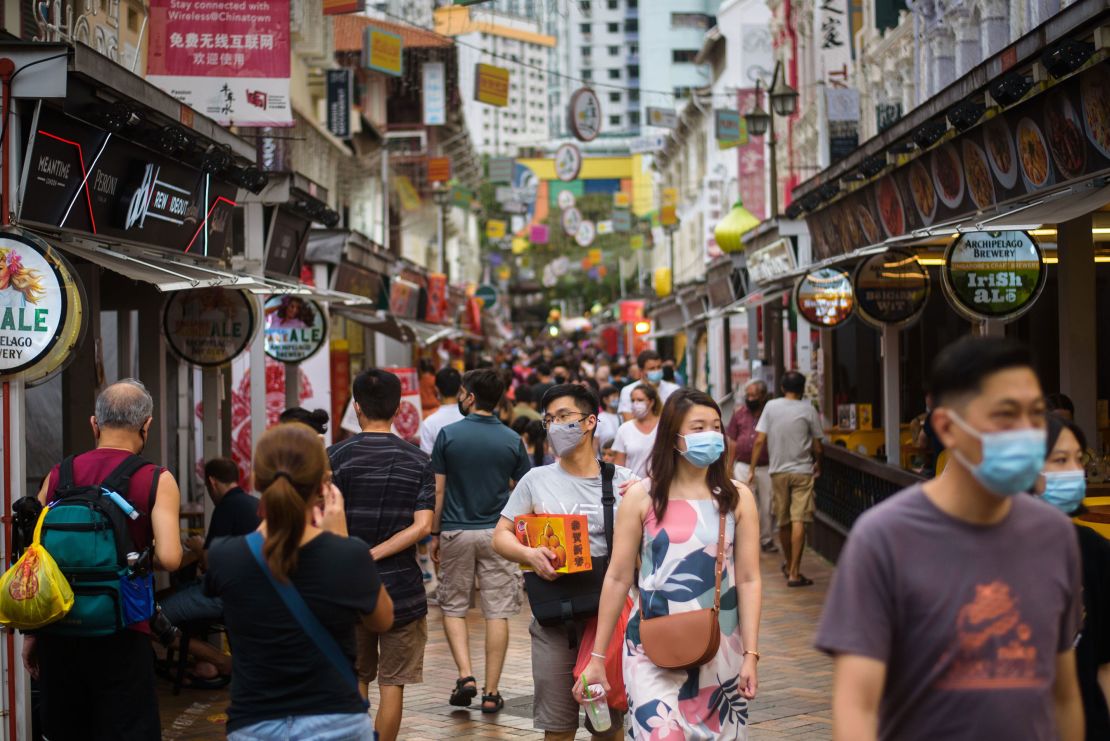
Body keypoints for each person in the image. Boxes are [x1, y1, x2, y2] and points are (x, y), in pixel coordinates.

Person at [815, 336, 1084, 741]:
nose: (1028, 432)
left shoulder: (1055, 535)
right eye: (1006, 415)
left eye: (1035, 416)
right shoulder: (883, 540)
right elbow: (857, 705)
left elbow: (1063, 694)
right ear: (946, 427)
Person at [579, 388, 762, 739]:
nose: (709, 434)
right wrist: (598, 657)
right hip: (650, 642)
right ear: (673, 437)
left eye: (715, 426)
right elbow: (618, 578)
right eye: (697, 427)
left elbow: (750, 579)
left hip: (720, 647)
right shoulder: (642, 496)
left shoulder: (738, 498)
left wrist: (752, 653)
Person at [206, 422, 394, 740]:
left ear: (254, 480)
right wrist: (342, 541)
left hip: (254, 723)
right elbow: (382, 620)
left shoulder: (225, 556)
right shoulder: (347, 553)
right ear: (324, 484)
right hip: (337, 721)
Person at [27, 379, 183, 740]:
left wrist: (33, 634)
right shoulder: (156, 479)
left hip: (58, 629)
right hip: (123, 631)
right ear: (147, 425)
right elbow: (172, 558)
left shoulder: (57, 476)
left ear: (94, 424)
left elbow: (36, 559)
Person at [494, 384, 638, 739]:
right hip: (553, 618)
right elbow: (501, 535)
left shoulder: (624, 483)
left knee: (607, 727)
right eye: (549, 420)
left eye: (563, 417)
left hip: (607, 621)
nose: (555, 426)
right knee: (556, 728)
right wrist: (529, 553)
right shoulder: (535, 480)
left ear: (590, 422)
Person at [328, 369, 435, 741]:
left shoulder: (334, 457)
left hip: (347, 589)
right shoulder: (419, 461)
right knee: (393, 685)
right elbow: (423, 527)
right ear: (399, 407)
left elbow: (324, 524)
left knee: (356, 675)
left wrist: (358, 556)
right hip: (402, 591)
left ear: (356, 406)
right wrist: (375, 553)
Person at [430, 368, 532, 714]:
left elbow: (438, 490)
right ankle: (491, 692)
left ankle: (465, 675)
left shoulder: (448, 435)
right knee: (498, 612)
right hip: (498, 533)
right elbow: (525, 491)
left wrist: (433, 532)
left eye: (462, 392)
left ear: (471, 397)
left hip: (455, 531)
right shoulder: (512, 439)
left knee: (454, 607)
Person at [1035, 414, 1110, 741]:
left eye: (1079, 459)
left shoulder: (1094, 551)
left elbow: (1105, 666)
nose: (1075, 470)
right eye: (1060, 460)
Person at [162, 457, 261, 686]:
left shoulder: (226, 507)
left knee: (154, 619)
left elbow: (209, 565)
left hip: (225, 595)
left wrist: (198, 548)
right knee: (177, 593)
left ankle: (223, 662)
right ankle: (205, 665)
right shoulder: (254, 505)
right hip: (252, 593)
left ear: (212, 482)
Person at [750, 371, 824, 587]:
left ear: (782, 388)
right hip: (802, 471)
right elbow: (818, 445)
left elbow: (759, 440)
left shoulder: (771, 407)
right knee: (799, 519)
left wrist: (752, 468)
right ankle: (794, 572)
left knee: (783, 520)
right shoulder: (808, 409)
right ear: (802, 389)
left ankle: (789, 562)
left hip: (778, 471)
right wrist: (819, 462)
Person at [728, 380, 776, 553]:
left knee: (767, 504)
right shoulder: (739, 414)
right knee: (747, 505)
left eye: (754, 395)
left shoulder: (769, 414)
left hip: (765, 467)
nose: (750, 398)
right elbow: (732, 441)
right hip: (742, 465)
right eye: (748, 395)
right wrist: (729, 465)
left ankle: (766, 539)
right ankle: (748, 542)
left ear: (762, 396)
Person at [612, 382, 662, 479]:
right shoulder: (624, 429)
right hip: (632, 488)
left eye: (640, 400)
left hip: (660, 488)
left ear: (651, 402)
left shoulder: (663, 426)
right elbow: (619, 466)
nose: (635, 404)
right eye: (633, 400)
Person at [617, 350, 680, 421]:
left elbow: (677, 418)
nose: (656, 370)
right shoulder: (628, 390)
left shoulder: (674, 389)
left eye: (659, 367)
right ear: (641, 371)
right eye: (652, 368)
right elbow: (628, 420)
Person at [419, 367, 464, 455]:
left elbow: (426, 458)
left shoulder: (429, 423)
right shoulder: (469, 418)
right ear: (460, 389)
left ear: (436, 389)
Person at [595, 385, 621, 451]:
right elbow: (595, 444)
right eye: (614, 396)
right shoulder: (599, 419)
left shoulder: (621, 417)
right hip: (603, 459)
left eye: (618, 396)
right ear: (605, 400)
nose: (617, 398)